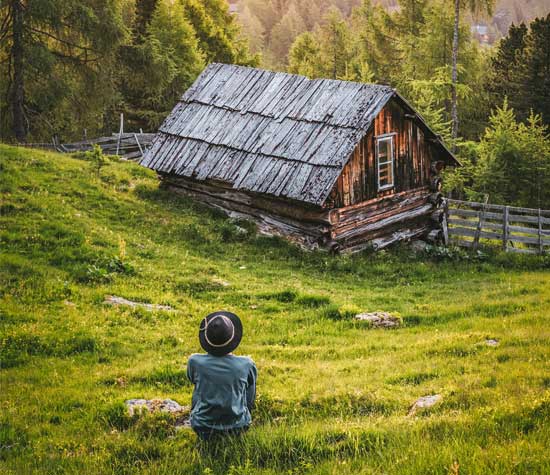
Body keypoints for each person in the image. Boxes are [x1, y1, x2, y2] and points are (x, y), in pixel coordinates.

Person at [186, 311, 257, 440]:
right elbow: (250, 391)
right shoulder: (246, 364)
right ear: (233, 337)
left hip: (202, 427)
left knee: (199, 386)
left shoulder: (194, 361)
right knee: (250, 385)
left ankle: (203, 415)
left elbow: (192, 380)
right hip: (238, 427)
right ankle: (240, 414)